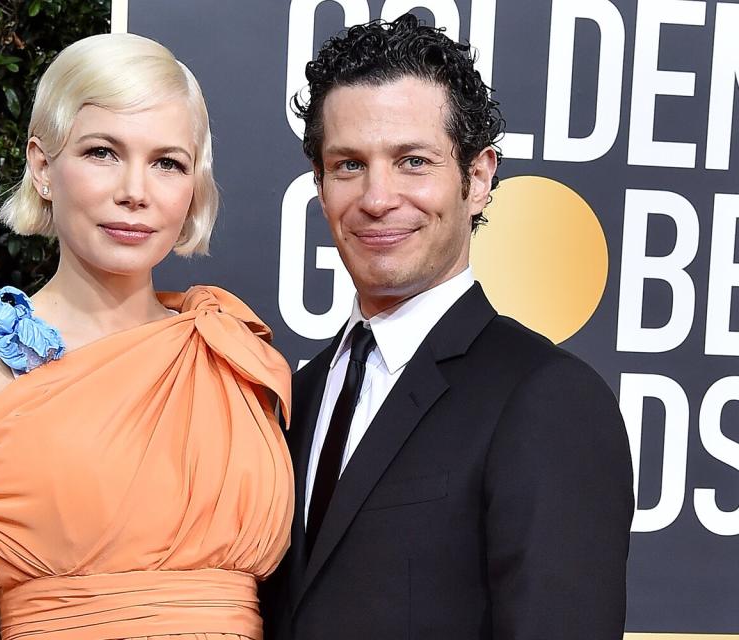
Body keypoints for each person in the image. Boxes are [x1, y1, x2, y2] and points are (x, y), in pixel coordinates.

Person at [0, 33, 293, 640]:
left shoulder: (230, 353)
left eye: (167, 162)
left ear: (192, 187)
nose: (135, 191)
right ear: (43, 167)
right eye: (102, 152)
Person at [264, 15, 634, 639]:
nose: (377, 197)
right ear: (321, 187)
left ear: (479, 179)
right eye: (348, 164)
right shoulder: (293, 396)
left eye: (413, 161)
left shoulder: (548, 400)